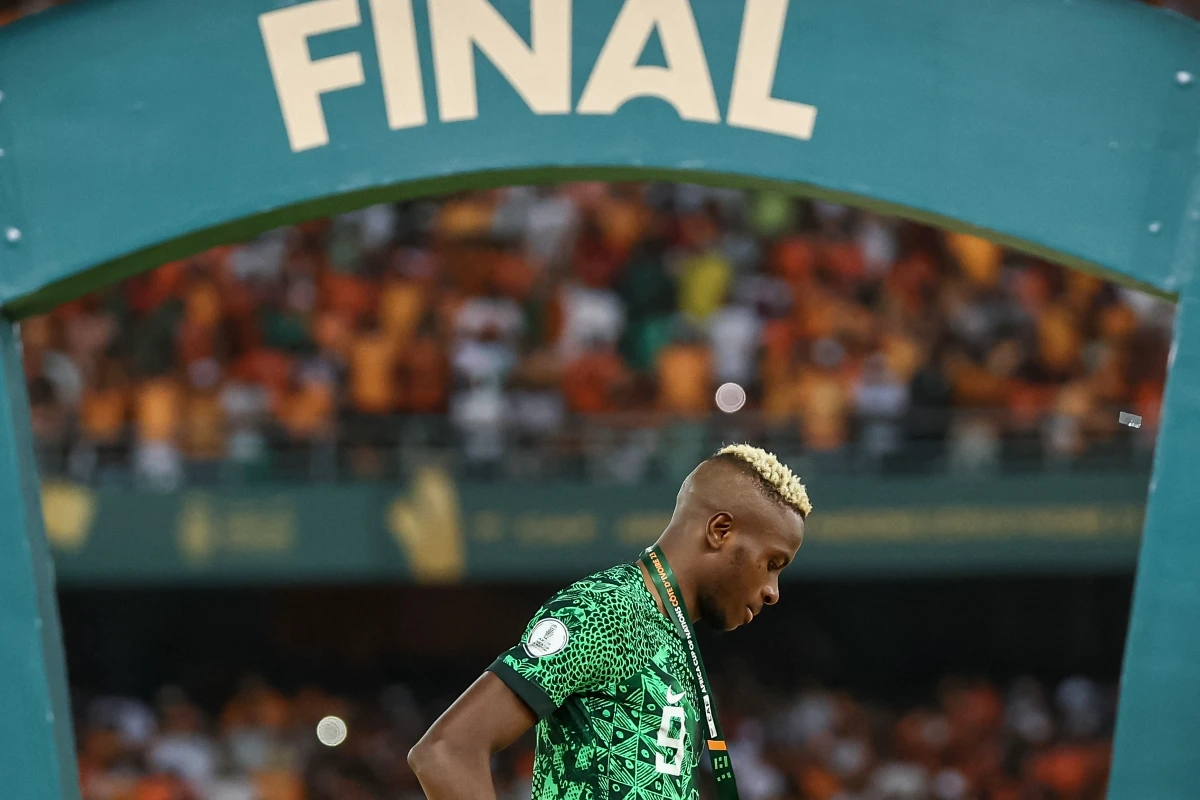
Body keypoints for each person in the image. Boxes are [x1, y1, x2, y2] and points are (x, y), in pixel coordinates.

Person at [408, 444, 811, 799]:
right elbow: (446, 752)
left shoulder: (674, 639)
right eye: (772, 564)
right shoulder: (607, 608)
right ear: (720, 530)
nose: (773, 591)